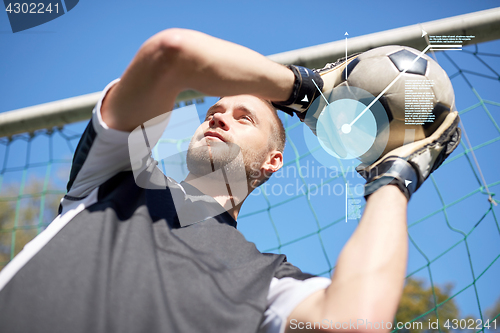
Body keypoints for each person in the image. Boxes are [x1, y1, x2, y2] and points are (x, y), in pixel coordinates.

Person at [0, 29, 460, 333]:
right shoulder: (116, 176)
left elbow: (354, 321)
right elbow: (170, 55)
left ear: (273, 161)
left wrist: (396, 175)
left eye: (245, 117)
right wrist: (301, 89)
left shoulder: (266, 279)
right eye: (213, 111)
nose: (219, 117)